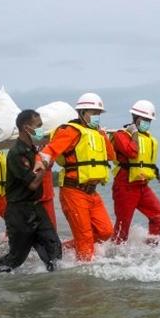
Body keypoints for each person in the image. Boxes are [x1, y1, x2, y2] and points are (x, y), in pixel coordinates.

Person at [0, 110, 62, 272]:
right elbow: (32, 184)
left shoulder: (34, 150)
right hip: (19, 212)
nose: (41, 130)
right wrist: (45, 167)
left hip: (36, 208)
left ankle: (51, 287)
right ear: (26, 128)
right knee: (16, 259)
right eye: (38, 126)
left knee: (55, 250)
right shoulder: (16, 154)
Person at [40, 93, 115, 262]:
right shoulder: (71, 131)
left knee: (106, 231)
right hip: (73, 191)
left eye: (98, 114)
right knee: (85, 238)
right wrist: (40, 161)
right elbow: (51, 149)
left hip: (92, 193)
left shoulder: (96, 133)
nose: (96, 117)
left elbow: (110, 155)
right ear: (81, 112)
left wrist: (103, 136)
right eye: (93, 113)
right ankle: (85, 276)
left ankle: (67, 247)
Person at [110, 100, 160, 243]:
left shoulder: (149, 139)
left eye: (149, 120)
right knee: (123, 228)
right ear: (135, 118)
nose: (147, 123)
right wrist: (134, 133)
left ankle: (151, 250)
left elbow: (148, 163)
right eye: (144, 119)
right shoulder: (121, 135)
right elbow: (132, 152)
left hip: (142, 186)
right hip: (125, 186)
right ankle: (113, 257)